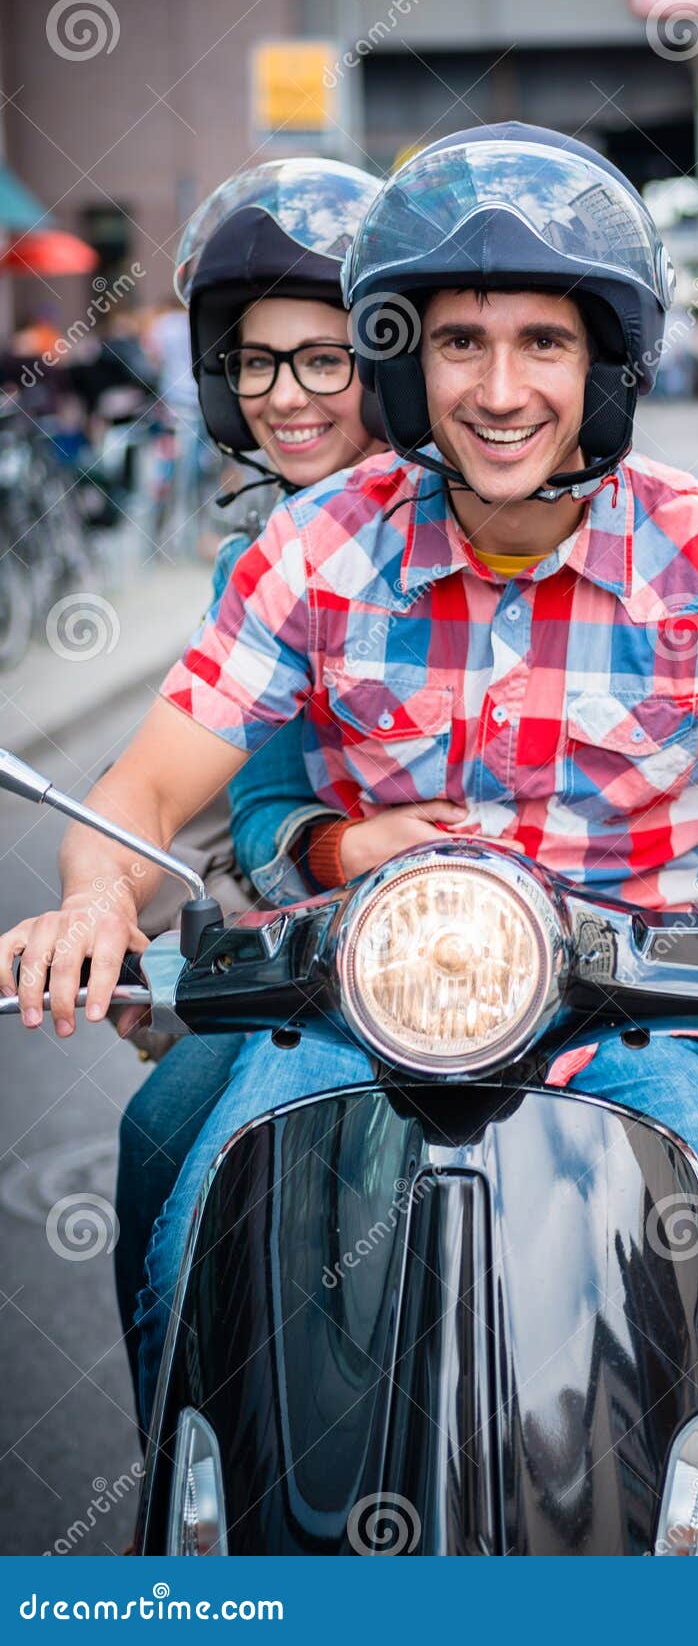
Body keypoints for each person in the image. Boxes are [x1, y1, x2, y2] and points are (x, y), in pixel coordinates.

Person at [0, 126, 698, 1554]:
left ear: (607, 366)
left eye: (541, 344)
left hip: (642, 1025)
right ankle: (197, 1546)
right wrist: (88, 901)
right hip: (346, 1017)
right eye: (458, 343)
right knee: (194, 1242)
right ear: (406, 363)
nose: (501, 392)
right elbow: (141, 791)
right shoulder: (320, 545)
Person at [105, 158, 388, 1429]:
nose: (286, 395)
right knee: (163, 1141)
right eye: (257, 364)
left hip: (561, 933)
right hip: (317, 940)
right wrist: (117, 903)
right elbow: (239, 801)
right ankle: (182, 1480)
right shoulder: (256, 561)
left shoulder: (524, 502)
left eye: (325, 357)